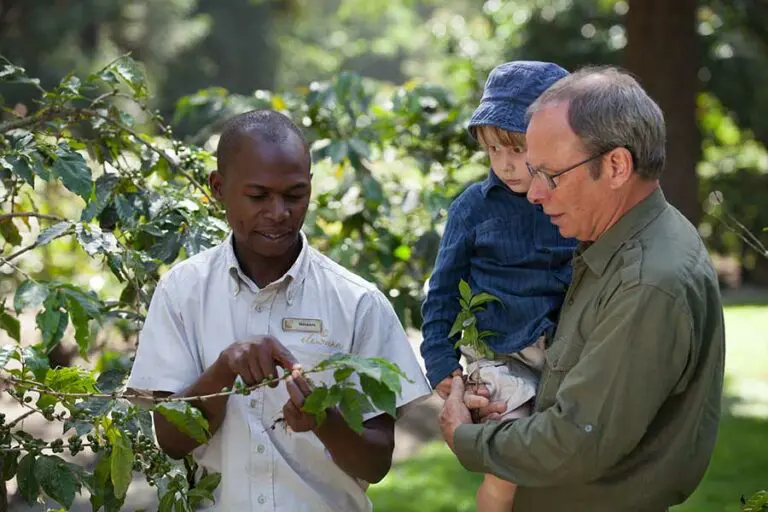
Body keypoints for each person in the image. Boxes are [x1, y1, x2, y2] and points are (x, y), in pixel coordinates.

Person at [438, 66, 726, 512]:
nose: (533, 193)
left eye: (549, 174)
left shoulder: (647, 281)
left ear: (615, 166)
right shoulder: (615, 240)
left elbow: (574, 441)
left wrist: (466, 436)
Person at [127, 109, 431, 511]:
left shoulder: (358, 303)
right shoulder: (182, 293)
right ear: (218, 188)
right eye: (258, 196)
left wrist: (323, 419)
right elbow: (172, 440)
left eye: (294, 195)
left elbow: (376, 462)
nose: (278, 212)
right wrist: (224, 369)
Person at [420, 61, 577, 512]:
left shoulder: (569, 201)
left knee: (567, 448)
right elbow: (443, 290)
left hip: (564, 349)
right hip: (501, 350)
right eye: (492, 151)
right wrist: (439, 361)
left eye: (517, 149)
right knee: (504, 453)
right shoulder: (473, 208)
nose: (505, 165)